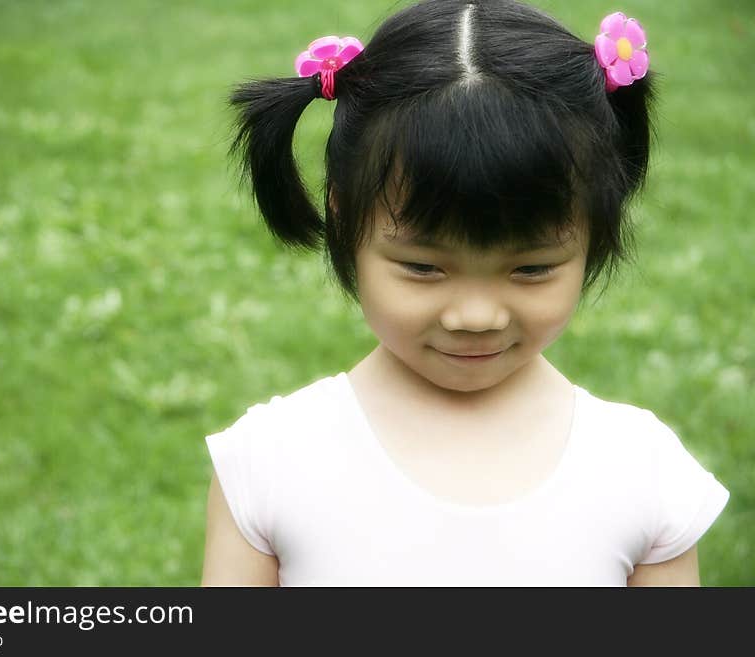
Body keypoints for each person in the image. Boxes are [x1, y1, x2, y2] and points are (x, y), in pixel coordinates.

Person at [200, 0, 730, 586]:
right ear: (344, 218)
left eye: (531, 269)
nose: (476, 315)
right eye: (423, 267)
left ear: (594, 234)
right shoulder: (272, 463)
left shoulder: (641, 472)